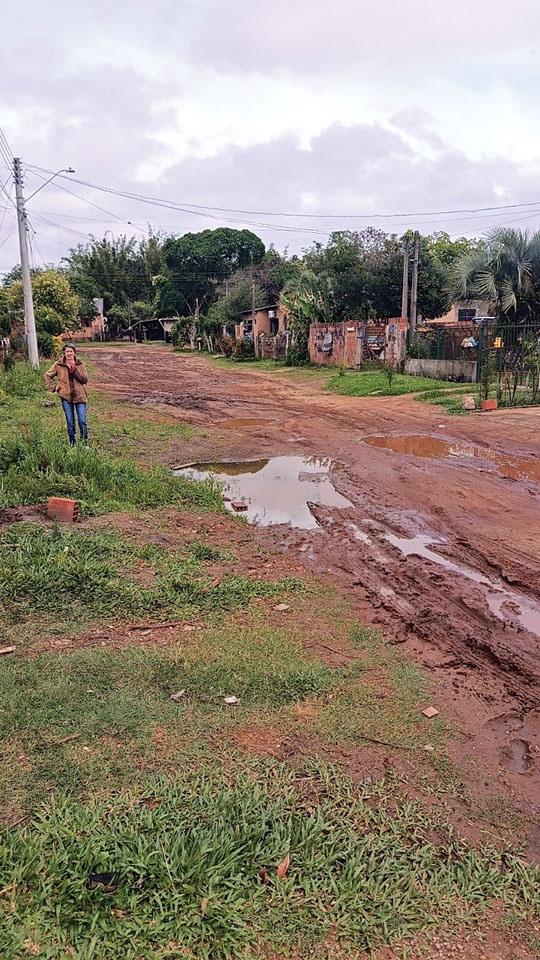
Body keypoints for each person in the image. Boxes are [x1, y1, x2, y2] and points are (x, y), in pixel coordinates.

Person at [44, 343, 89, 446]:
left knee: (82, 421)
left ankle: (85, 443)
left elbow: (85, 380)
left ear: (74, 353)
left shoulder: (79, 364)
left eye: (71, 351)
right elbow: (47, 375)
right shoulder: (59, 364)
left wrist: (75, 371)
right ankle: (72, 443)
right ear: (64, 353)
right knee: (70, 422)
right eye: (67, 351)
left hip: (80, 395)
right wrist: (54, 388)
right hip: (65, 396)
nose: (69, 354)